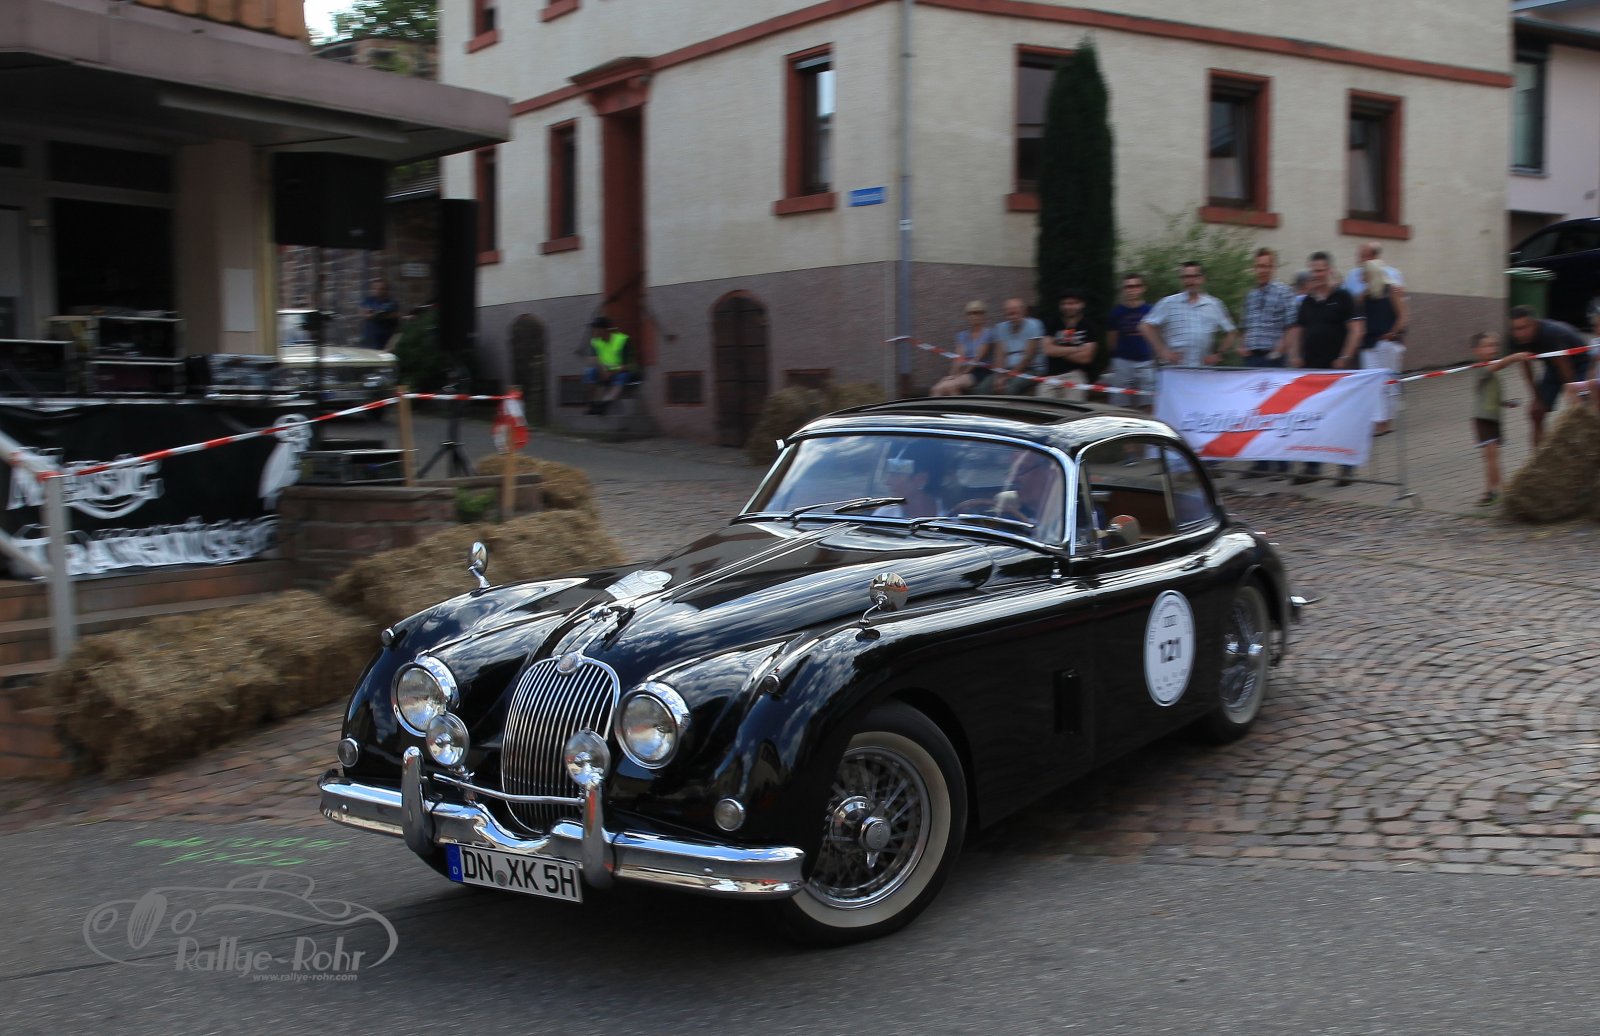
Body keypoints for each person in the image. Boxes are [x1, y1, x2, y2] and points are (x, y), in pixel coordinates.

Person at [1285, 251, 1363, 485]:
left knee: (1341, 419)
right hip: (1312, 370)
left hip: (1338, 369)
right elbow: (1298, 330)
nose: (1317, 275)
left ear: (1330, 270)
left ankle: (1346, 468)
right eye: (1313, 271)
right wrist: (1295, 355)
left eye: (1320, 270)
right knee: (1312, 418)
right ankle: (1312, 467)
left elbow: (1356, 330)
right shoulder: (1307, 301)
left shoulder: (1344, 297)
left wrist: (1345, 356)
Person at [1241, 248, 1296, 477]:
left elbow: (1291, 326)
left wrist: (1279, 351)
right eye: (1259, 266)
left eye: (1266, 266)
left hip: (1274, 358)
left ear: (1273, 267)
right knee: (1254, 413)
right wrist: (1243, 346)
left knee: (1277, 411)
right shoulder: (1251, 295)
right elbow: (1245, 326)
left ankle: (1281, 463)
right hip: (1252, 359)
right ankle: (1260, 463)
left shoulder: (1284, 293)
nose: (1262, 270)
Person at [1508, 305, 1590, 449]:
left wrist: (1573, 395)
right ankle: (1537, 459)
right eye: (1515, 329)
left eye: (1523, 328)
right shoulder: (1516, 339)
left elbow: (1565, 367)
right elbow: (1526, 368)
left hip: (1581, 364)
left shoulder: (1551, 333)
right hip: (1553, 366)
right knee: (1536, 413)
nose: (1519, 333)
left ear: (1533, 323)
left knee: (1580, 412)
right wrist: (1536, 398)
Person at [1468, 331, 1532, 507]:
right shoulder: (1481, 368)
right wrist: (1514, 357)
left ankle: (1490, 492)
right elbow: (1499, 365)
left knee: (1493, 458)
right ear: (1476, 350)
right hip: (1483, 419)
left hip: (1493, 419)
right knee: (1491, 458)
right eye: (1487, 346)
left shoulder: (1492, 371)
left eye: (1494, 345)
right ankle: (1502, 491)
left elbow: (1488, 395)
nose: (1492, 349)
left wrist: (1506, 403)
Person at [1139, 261, 1237, 367]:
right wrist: (1162, 351)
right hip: (1175, 369)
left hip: (1203, 370)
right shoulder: (1168, 303)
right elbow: (1145, 326)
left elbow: (1231, 331)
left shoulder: (1214, 304)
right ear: (1181, 280)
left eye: (1194, 276)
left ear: (1202, 279)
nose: (1190, 281)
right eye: (1186, 277)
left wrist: (1218, 354)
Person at [1359, 258, 1409, 436]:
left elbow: (1403, 316)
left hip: (1387, 343)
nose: (1361, 276)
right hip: (1369, 344)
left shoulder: (1391, 291)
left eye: (1364, 273)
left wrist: (1392, 333)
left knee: (1388, 383)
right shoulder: (1364, 295)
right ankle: (1379, 420)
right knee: (1373, 383)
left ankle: (1387, 420)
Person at [1106, 272, 1156, 410]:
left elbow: (1156, 335)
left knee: (1148, 403)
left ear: (1143, 288)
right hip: (1122, 361)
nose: (1132, 289)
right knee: (1121, 404)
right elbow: (1111, 339)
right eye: (1128, 286)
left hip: (1146, 361)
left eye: (1136, 286)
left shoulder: (1151, 310)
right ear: (1123, 289)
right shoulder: (1116, 312)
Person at [1039, 288, 1100, 400]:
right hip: (1052, 375)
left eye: (1072, 303)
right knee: (1043, 403)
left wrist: (1057, 350)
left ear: (1082, 304)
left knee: (1071, 405)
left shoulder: (1089, 326)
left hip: (1076, 374)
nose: (1068, 307)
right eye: (1064, 304)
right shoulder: (1052, 323)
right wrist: (1077, 349)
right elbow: (1048, 350)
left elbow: (1086, 357)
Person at [979, 297, 1046, 395]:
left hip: (1032, 369)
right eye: (1009, 314)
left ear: (1023, 312)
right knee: (982, 388)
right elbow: (999, 356)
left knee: (1009, 387)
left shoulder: (1034, 325)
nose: (1012, 317)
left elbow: (1028, 358)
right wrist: (999, 376)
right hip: (1007, 369)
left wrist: (1007, 377)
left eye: (1016, 313)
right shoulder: (1000, 328)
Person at [930, 301, 995, 397]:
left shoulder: (988, 333)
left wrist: (960, 374)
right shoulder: (962, 335)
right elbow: (958, 358)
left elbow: (977, 358)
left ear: (983, 315)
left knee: (952, 386)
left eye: (977, 313)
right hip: (964, 371)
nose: (974, 316)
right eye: (970, 313)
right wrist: (952, 374)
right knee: (936, 389)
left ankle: (958, 406)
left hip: (980, 370)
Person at [584, 314, 637, 415]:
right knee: (590, 371)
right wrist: (602, 370)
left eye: (596, 329)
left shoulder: (622, 340)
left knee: (622, 377)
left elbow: (629, 365)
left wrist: (611, 373)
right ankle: (591, 404)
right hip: (604, 372)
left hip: (620, 371)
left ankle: (604, 403)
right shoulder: (595, 341)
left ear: (604, 330)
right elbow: (592, 359)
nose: (593, 332)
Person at [874, 447, 946, 518]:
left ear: (921, 479)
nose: (887, 482)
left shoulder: (950, 516)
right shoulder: (885, 514)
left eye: (896, 475)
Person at [360, 278, 400, 349]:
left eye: (382, 289)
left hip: (386, 338)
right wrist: (376, 315)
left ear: (386, 290)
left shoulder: (392, 302)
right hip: (370, 337)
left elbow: (394, 315)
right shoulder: (368, 300)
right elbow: (363, 314)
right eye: (375, 288)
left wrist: (375, 314)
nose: (378, 291)